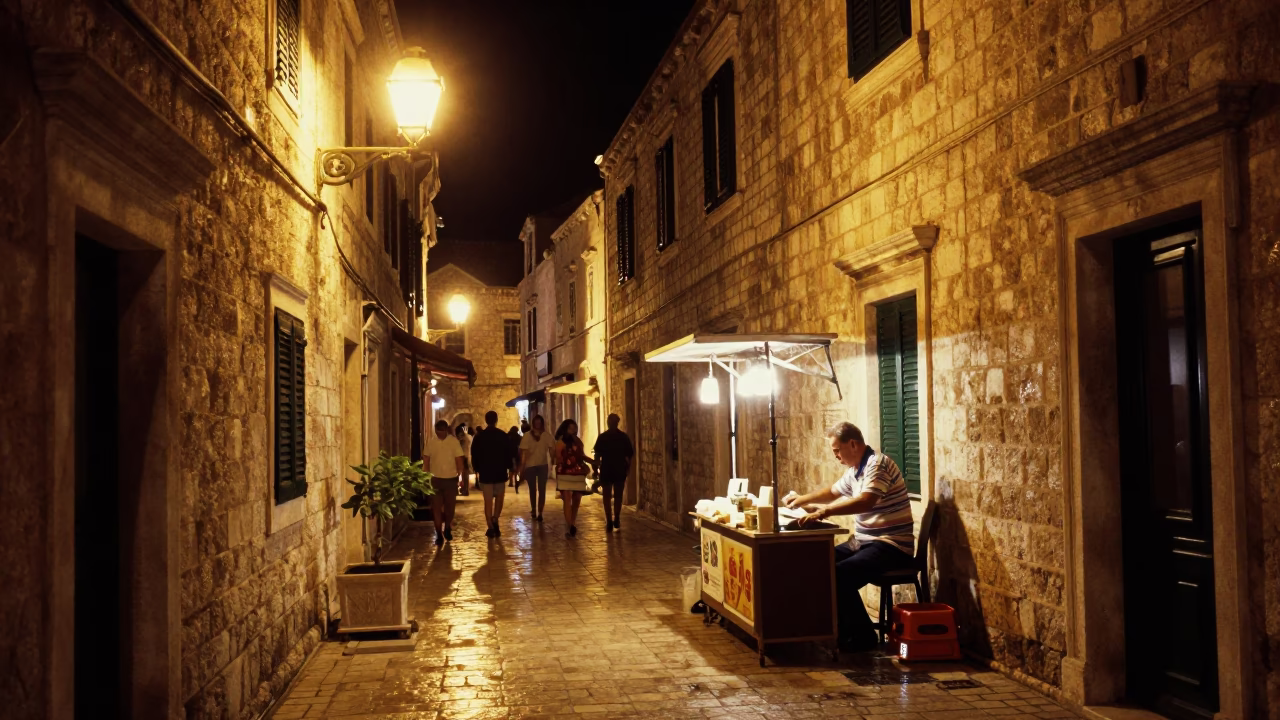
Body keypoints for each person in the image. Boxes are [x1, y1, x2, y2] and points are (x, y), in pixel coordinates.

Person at [784, 421, 914, 652]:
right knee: (818, 560)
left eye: (836, 450)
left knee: (840, 575)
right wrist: (803, 500)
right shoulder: (855, 470)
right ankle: (836, 628)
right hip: (863, 541)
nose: (835, 456)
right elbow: (833, 492)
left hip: (889, 544)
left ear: (852, 444)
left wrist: (826, 511)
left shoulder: (878, 464)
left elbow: (866, 500)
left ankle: (862, 636)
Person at [423, 419, 465, 547]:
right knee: (439, 507)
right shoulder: (433, 442)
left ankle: (445, 528)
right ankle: (439, 533)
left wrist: (460, 476)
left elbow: (459, 461)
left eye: (440, 431)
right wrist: (426, 476)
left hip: (449, 479)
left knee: (447, 507)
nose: (439, 433)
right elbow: (426, 460)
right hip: (437, 479)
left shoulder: (452, 442)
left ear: (445, 430)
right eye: (438, 431)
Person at [471, 411, 511, 538]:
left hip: (486, 472)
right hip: (500, 472)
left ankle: (490, 526)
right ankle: (495, 518)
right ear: (496, 420)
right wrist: (509, 467)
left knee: (488, 501)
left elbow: (474, 455)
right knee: (499, 499)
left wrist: (477, 469)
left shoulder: (479, 437)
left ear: (486, 420)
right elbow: (508, 454)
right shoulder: (503, 435)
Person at [592, 414, 634, 532]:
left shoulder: (602, 437)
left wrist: (595, 469)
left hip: (607, 469)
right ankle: (616, 518)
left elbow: (597, 455)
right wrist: (628, 468)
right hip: (619, 469)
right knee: (618, 495)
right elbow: (629, 455)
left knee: (607, 495)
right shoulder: (623, 437)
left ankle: (610, 520)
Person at [553, 419, 594, 537]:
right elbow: (558, 458)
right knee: (567, 498)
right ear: (565, 429)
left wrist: (591, 461)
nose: (573, 431)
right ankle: (569, 525)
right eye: (570, 428)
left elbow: (581, 455)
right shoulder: (560, 442)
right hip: (565, 472)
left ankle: (572, 523)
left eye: (574, 428)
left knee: (576, 498)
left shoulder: (578, 442)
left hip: (577, 472)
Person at [516, 415, 555, 522]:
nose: (538, 425)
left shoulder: (547, 436)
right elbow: (523, 453)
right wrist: (522, 467)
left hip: (542, 465)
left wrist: (553, 460)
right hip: (530, 466)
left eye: (539, 423)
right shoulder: (527, 436)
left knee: (542, 489)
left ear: (542, 423)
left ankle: (540, 512)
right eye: (536, 423)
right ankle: (533, 509)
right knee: (532, 489)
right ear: (533, 424)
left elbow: (552, 449)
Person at [455, 424, 473, 495]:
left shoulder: (460, 438)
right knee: (465, 474)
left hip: (461, 456)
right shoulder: (469, 437)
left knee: (458, 473)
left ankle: (460, 489)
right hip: (467, 456)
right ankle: (465, 489)